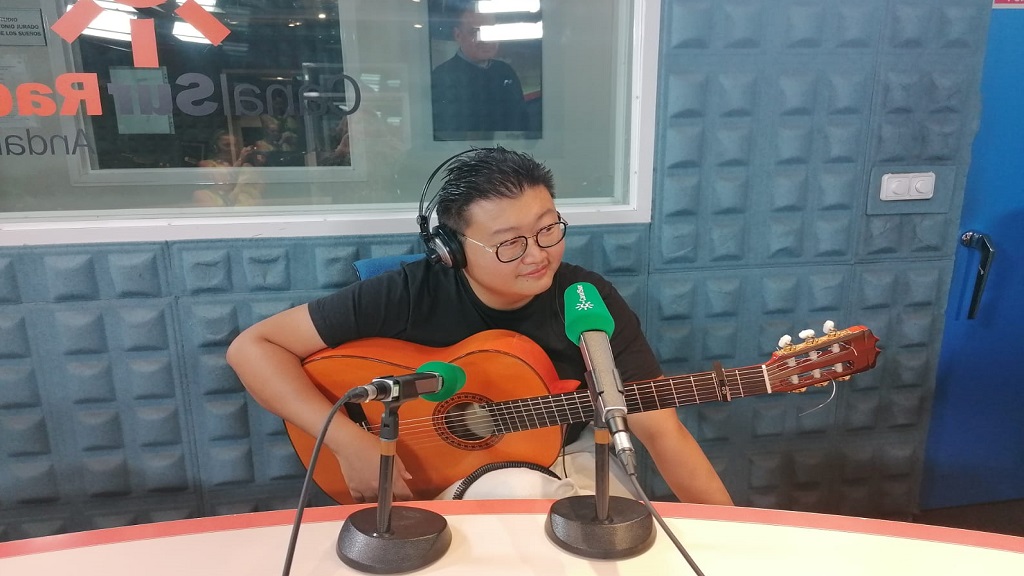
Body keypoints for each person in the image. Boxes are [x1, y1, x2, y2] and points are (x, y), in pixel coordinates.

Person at [225, 147, 733, 506]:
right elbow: (254, 347)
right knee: (520, 497)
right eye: (510, 242)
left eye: (548, 228)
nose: (537, 254)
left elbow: (662, 432)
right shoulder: (409, 292)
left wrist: (733, 538)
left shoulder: (586, 300)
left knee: (618, 531)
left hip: (571, 451)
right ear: (450, 249)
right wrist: (347, 441)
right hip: (435, 470)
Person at [430, 4, 529, 141]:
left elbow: (523, 122)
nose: (485, 39)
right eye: (475, 32)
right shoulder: (442, 76)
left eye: (490, 31)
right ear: (458, 35)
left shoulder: (505, 71)